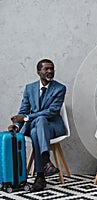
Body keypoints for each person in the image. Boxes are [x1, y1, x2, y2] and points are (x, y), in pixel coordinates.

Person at [8, 59, 67, 192]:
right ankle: (46, 164)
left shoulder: (60, 88)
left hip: (52, 127)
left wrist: (26, 118)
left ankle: (40, 175)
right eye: (46, 69)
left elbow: (52, 112)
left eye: (52, 68)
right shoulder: (30, 88)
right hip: (36, 126)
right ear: (38, 72)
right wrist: (17, 126)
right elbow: (23, 110)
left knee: (40, 122)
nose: (50, 71)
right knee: (36, 128)